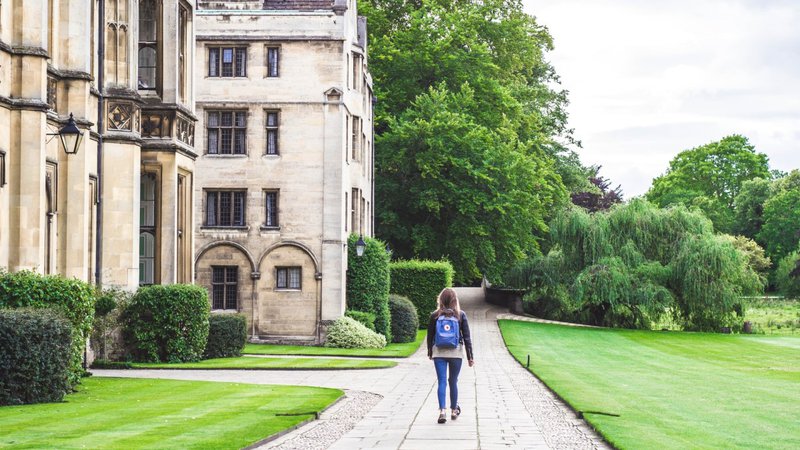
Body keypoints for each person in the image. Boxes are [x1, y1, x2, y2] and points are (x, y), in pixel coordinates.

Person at [427, 288, 474, 424]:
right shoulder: (460, 315)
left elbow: (430, 337)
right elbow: (467, 338)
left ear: (440, 299)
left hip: (439, 352)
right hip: (456, 353)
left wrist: (430, 352)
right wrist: (470, 356)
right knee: (453, 381)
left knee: (441, 381)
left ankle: (442, 411)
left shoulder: (435, 315)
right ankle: (454, 410)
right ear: (455, 300)